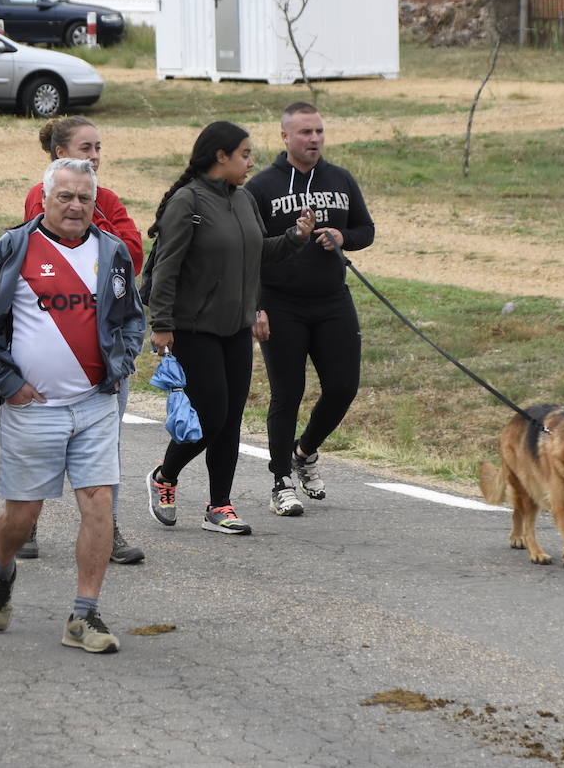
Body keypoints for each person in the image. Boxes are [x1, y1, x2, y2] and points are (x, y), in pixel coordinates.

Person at [0, 158, 144, 654]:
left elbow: (133, 316)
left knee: (100, 505)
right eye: (65, 196)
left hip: (94, 405)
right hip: (32, 409)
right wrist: (8, 382)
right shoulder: (14, 247)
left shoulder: (111, 252)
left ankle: (83, 616)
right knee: (21, 517)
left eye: (84, 198)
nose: (75, 206)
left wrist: (122, 363)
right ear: (44, 199)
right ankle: (1, 573)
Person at [143, 121, 313, 536]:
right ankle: (165, 476)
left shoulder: (243, 200)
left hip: (235, 328)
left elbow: (257, 253)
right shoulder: (188, 202)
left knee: (230, 418)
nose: (251, 161)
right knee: (211, 416)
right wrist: (162, 325)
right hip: (193, 328)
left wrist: (295, 237)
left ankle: (219, 505)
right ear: (221, 156)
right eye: (245, 154)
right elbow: (166, 267)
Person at [22, 116, 144, 565]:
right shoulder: (43, 195)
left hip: (105, 347)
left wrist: (99, 227)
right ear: (60, 156)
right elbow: (50, 244)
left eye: (98, 147)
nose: (94, 156)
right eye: (85, 148)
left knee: (105, 444)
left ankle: (105, 529)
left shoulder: (107, 200)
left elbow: (131, 253)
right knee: (43, 440)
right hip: (54, 343)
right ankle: (26, 520)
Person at [245, 103, 376, 516]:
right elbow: (248, 253)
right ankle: (281, 480)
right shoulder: (261, 187)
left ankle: (305, 452)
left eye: (319, 131)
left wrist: (342, 235)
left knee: (343, 386)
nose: (314, 139)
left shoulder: (340, 179)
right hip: (281, 303)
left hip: (332, 299)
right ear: (285, 137)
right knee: (289, 392)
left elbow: (365, 230)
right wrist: (257, 307)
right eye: (305, 132)